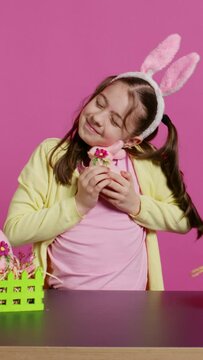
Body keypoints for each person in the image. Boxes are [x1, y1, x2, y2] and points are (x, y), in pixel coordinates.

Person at [3, 34, 203, 291]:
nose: (98, 118)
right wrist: (78, 204)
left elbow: (183, 220)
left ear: (131, 140)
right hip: (60, 304)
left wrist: (136, 204)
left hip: (131, 308)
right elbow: (14, 230)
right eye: (99, 102)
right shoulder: (51, 154)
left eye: (115, 121)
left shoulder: (144, 163)